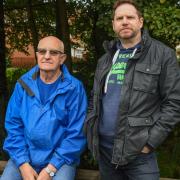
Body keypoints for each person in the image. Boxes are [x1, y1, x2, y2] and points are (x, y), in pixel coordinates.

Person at [84, 0, 180, 180]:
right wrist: (91, 129)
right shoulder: (105, 60)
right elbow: (95, 99)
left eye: (130, 17)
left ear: (140, 22)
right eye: (119, 18)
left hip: (139, 154)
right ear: (113, 24)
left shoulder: (162, 55)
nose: (125, 21)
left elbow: (174, 103)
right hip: (105, 151)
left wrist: (150, 142)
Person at [1, 36, 87, 180]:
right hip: (25, 155)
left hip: (61, 160)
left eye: (53, 52)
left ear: (62, 58)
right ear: (37, 55)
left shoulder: (74, 88)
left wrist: (50, 170)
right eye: (42, 51)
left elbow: (76, 134)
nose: (46, 56)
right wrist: (23, 164)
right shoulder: (23, 84)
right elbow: (13, 125)